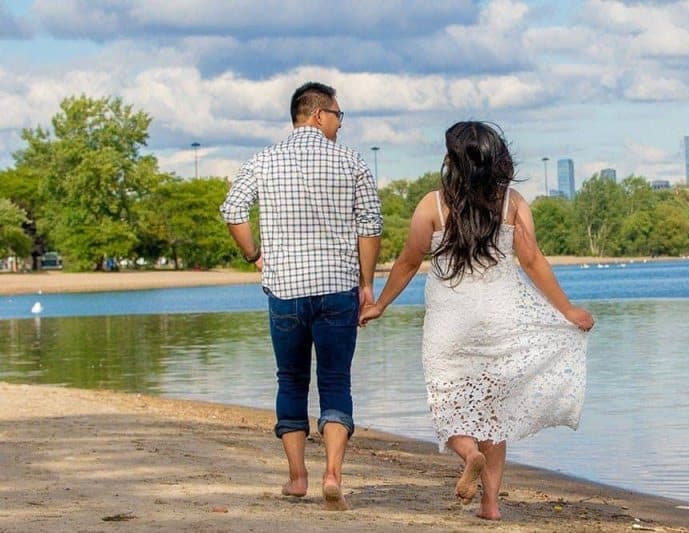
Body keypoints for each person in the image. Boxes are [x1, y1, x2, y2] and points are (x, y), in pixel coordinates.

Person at [359, 121, 593, 520]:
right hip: (502, 320)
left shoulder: (432, 205)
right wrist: (568, 311)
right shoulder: (512, 203)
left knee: (448, 404)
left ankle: (468, 454)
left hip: (450, 323)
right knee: (494, 416)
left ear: (453, 161)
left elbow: (409, 261)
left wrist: (380, 304)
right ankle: (490, 505)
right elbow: (532, 261)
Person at [220, 81, 382, 511]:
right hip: (337, 290)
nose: (339, 124)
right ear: (317, 114)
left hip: (286, 290)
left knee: (290, 380)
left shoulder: (263, 161)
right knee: (335, 381)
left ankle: (296, 478)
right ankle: (332, 473)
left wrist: (255, 254)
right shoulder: (352, 163)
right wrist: (366, 284)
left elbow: (232, 211)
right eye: (338, 116)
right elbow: (370, 226)